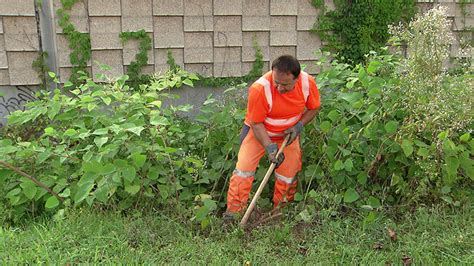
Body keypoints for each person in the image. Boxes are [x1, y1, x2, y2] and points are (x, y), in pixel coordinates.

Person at [224, 55, 321, 221]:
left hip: (287, 136)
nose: (279, 88)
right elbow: (256, 123)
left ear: (296, 79)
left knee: (288, 173)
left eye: (285, 85)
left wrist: (298, 126)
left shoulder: (307, 83)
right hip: (259, 133)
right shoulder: (260, 88)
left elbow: (314, 108)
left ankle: (280, 211)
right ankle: (233, 213)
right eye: (276, 82)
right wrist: (269, 147)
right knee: (243, 170)